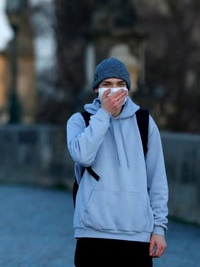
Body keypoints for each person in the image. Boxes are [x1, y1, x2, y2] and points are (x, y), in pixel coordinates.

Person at [67, 57, 168, 266]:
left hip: (136, 235)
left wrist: (158, 229)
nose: (114, 90)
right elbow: (83, 156)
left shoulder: (144, 122)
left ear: (128, 88)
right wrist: (104, 114)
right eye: (107, 85)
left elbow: (157, 179)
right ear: (96, 89)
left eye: (120, 84)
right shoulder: (80, 121)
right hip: (93, 233)